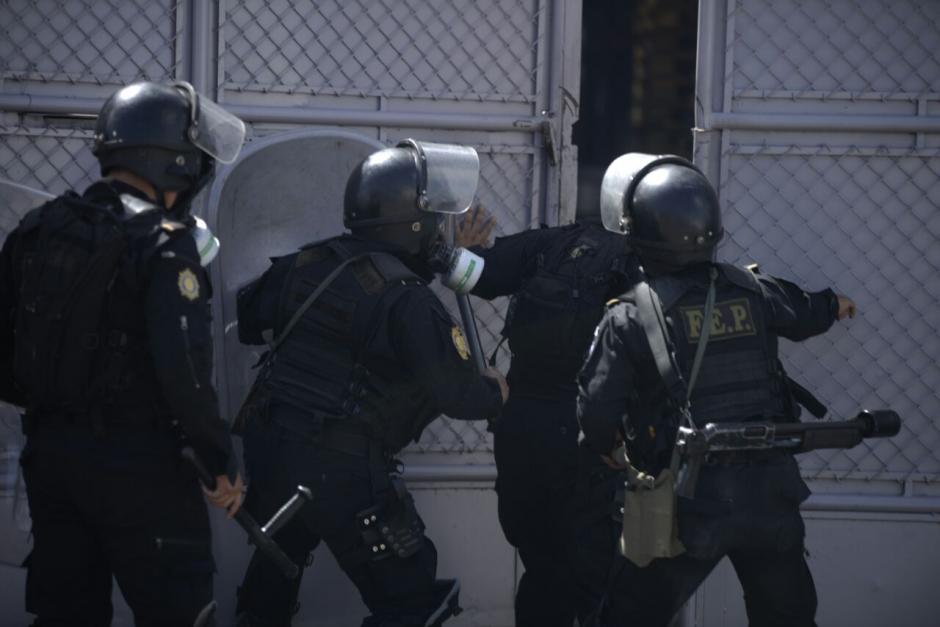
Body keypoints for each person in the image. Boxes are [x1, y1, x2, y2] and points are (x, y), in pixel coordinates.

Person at [0, 81, 247, 626]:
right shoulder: (163, 242)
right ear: (174, 161)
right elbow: (185, 372)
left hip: (51, 461)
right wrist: (218, 462)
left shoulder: (40, 228)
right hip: (144, 469)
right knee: (179, 611)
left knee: (66, 613)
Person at [232, 139, 508, 627]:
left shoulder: (309, 262)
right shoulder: (407, 299)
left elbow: (250, 320)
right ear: (416, 223)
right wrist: (497, 392)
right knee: (411, 598)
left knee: (275, 570)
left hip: (272, 449)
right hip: (342, 470)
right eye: (437, 219)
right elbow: (461, 394)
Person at [576, 153, 857, 627]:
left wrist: (608, 449)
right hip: (771, 492)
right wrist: (835, 305)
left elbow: (597, 414)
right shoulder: (751, 289)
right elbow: (805, 312)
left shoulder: (629, 316)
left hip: (687, 503)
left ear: (639, 235)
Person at [454, 205, 639, 626]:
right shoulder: (645, 261)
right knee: (601, 581)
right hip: (593, 435)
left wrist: (458, 251)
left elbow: (467, 274)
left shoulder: (551, 244)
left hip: (523, 432)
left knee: (543, 572)